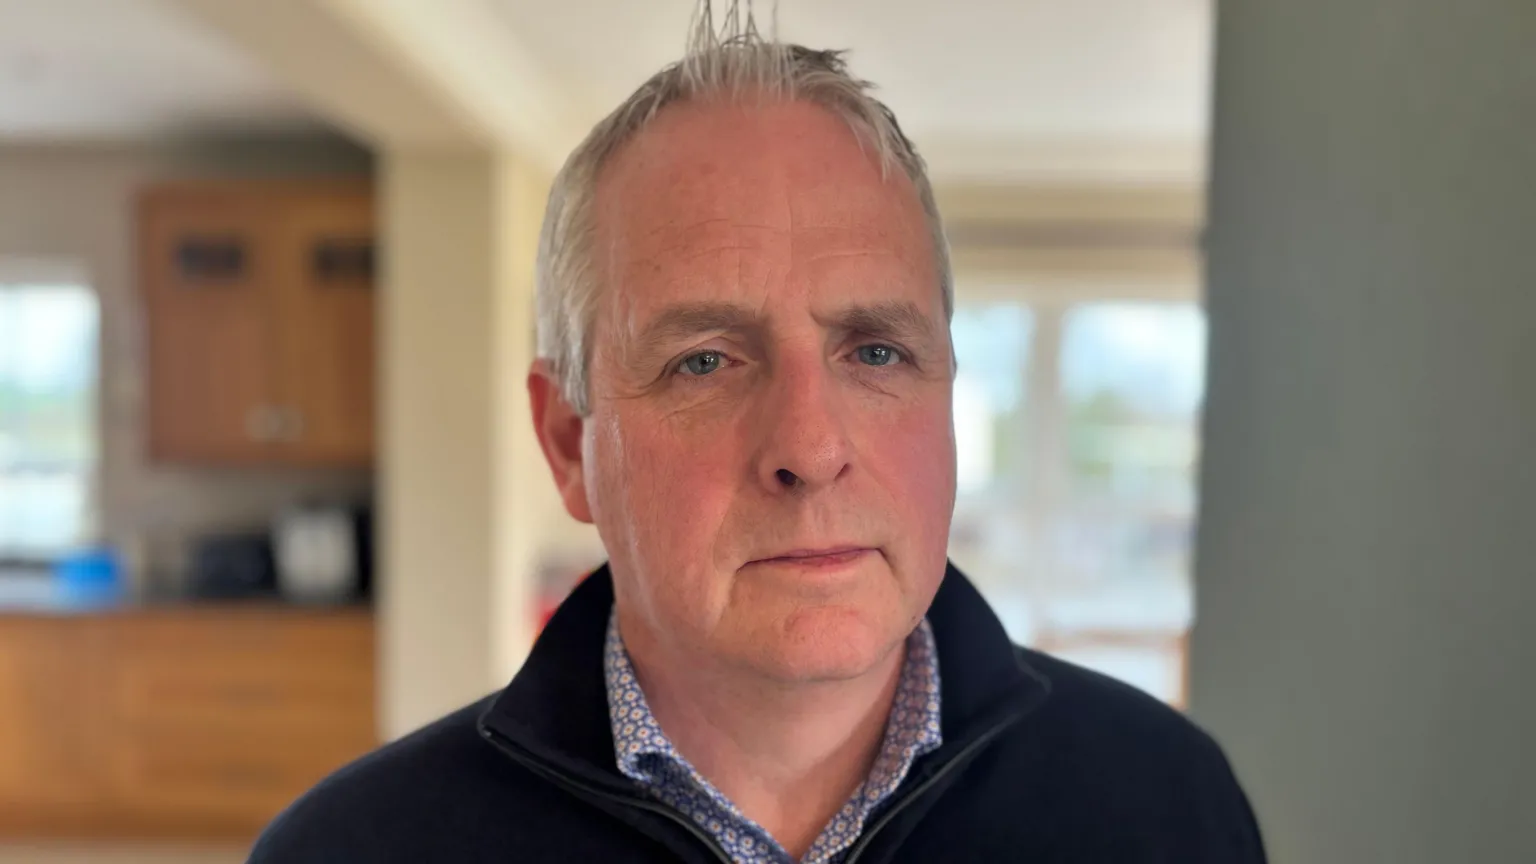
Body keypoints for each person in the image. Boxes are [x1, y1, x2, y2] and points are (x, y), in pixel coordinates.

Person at [248, 10, 1266, 864]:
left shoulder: (1165, 805)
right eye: (704, 361)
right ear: (570, 443)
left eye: (875, 352)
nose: (810, 449)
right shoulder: (348, 852)